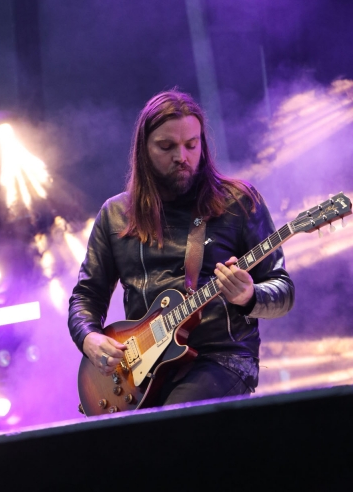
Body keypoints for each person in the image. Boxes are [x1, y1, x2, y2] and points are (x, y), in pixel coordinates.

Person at [68, 89, 295, 406]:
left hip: (221, 358)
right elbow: (87, 295)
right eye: (167, 146)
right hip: (141, 371)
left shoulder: (238, 201)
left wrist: (249, 296)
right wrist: (89, 338)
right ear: (144, 150)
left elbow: (282, 290)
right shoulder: (115, 214)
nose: (182, 157)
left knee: (174, 424)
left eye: (192, 144)